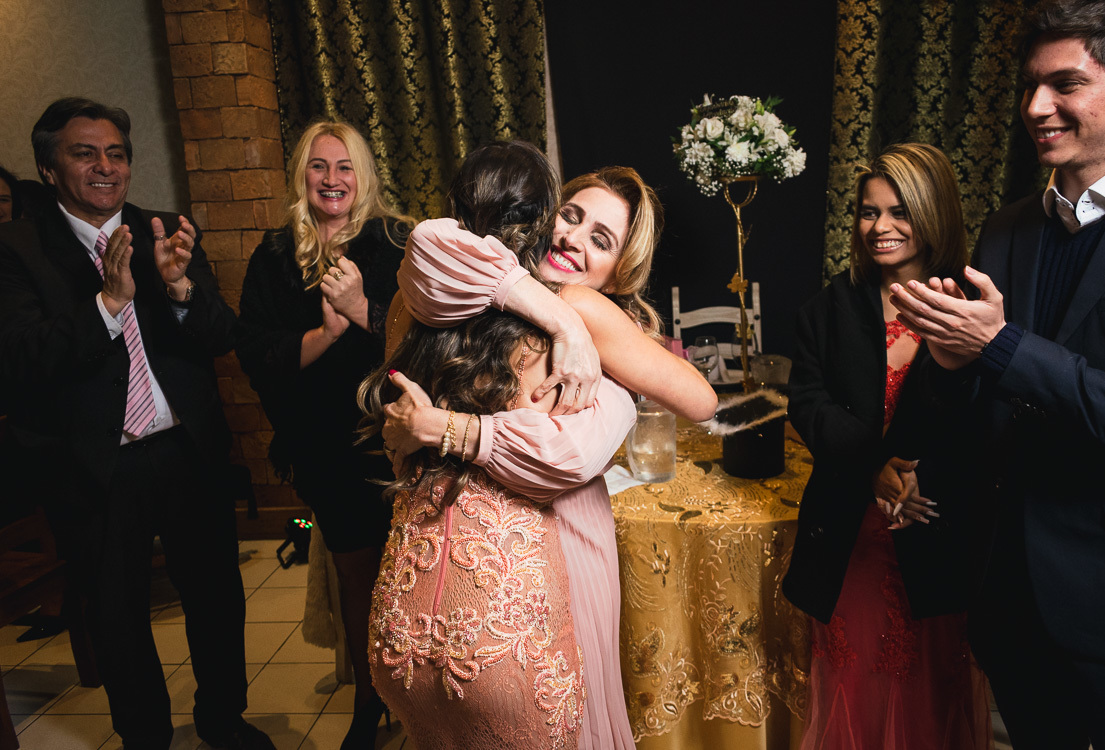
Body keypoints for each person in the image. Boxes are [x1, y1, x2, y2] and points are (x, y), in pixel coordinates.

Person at [889, 2, 1105, 747]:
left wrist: (998, 346)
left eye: (1065, 84)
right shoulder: (1008, 227)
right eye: (1031, 85)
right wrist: (950, 361)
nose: (1035, 108)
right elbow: (972, 410)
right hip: (1011, 603)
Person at [381, 148, 716, 749]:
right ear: (540, 213)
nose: (574, 238)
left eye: (602, 239)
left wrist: (608, 359)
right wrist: (558, 318)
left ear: (618, 273)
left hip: (554, 535)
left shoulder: (585, 308)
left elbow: (699, 399)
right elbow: (429, 243)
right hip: (495, 566)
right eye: (571, 214)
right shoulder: (471, 284)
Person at [0, 98, 271, 750]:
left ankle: (222, 719)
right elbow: (21, 361)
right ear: (47, 167)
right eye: (84, 153)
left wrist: (179, 292)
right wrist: (108, 304)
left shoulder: (166, 228)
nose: (105, 166)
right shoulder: (17, 251)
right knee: (116, 613)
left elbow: (220, 334)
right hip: (94, 464)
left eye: (116, 153)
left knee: (215, 597)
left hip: (186, 448)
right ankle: (145, 736)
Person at [784, 143, 990, 749]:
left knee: (933, 688)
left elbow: (986, 417)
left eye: (899, 211)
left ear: (932, 212)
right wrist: (872, 466)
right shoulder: (829, 307)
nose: (881, 227)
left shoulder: (971, 306)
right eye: (868, 212)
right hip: (854, 534)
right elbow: (808, 405)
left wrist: (929, 481)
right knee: (859, 680)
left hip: (934, 529)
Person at [235, 120, 411, 748]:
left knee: (419, 578)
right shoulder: (276, 252)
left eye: (344, 167)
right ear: (301, 176)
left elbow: (433, 348)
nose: (331, 180)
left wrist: (366, 310)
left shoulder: (399, 242)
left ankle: (430, 698)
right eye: (318, 166)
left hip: (402, 444)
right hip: (327, 452)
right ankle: (370, 701)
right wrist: (326, 335)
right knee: (358, 579)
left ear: (363, 176)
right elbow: (254, 349)